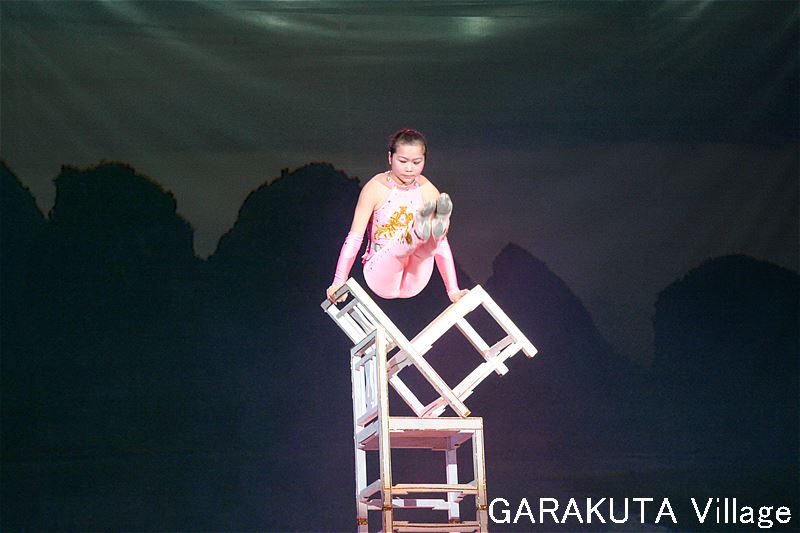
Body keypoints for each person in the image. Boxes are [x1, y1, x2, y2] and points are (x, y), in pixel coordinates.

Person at [326, 128, 469, 304]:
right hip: (379, 272)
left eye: (417, 162)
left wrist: (453, 290)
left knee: (429, 247)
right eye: (402, 161)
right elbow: (354, 238)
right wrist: (338, 282)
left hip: (415, 281)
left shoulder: (428, 191)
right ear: (390, 158)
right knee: (400, 249)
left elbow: (442, 246)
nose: (409, 168)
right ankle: (415, 233)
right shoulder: (375, 188)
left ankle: (425, 232)